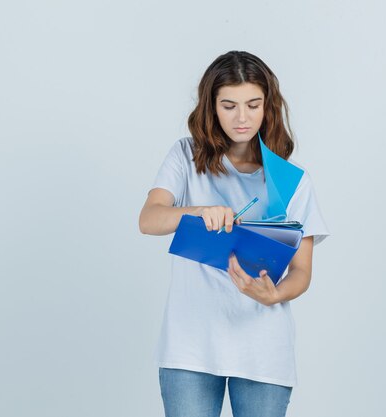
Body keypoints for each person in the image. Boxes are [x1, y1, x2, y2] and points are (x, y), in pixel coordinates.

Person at [138, 51, 329, 417]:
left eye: (253, 105)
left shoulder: (291, 180)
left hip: (263, 349)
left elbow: (302, 273)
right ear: (211, 107)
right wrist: (196, 212)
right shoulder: (185, 156)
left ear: (268, 106)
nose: (242, 118)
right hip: (189, 346)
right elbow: (149, 220)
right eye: (229, 105)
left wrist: (273, 295)